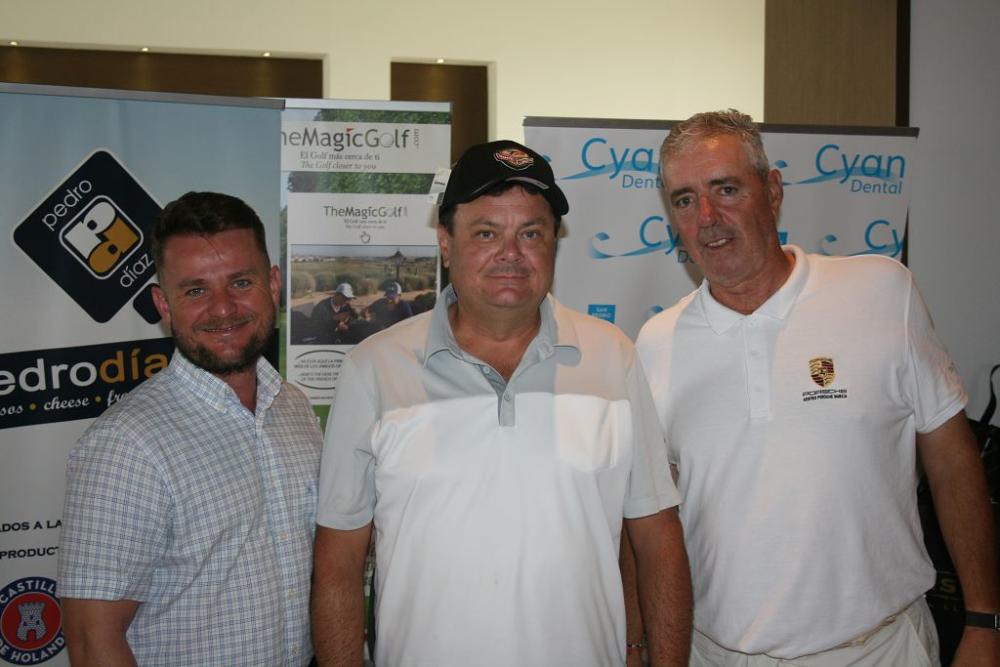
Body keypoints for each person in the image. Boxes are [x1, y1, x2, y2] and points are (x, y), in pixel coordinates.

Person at [635, 109, 1000, 665]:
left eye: (726, 189)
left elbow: (952, 459)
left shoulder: (882, 291)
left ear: (772, 190)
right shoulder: (655, 343)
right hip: (715, 654)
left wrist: (984, 619)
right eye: (684, 199)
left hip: (879, 649)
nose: (707, 217)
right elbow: (651, 523)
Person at [311, 140, 692, 666]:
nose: (510, 254)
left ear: (554, 244)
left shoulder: (613, 357)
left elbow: (657, 539)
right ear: (446, 243)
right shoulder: (373, 369)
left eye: (531, 233)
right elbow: (338, 560)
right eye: (486, 233)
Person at [57, 191, 323, 665]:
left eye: (240, 282)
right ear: (163, 303)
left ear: (273, 284)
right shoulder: (126, 446)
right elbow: (92, 641)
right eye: (196, 291)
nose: (223, 309)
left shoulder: (295, 409)